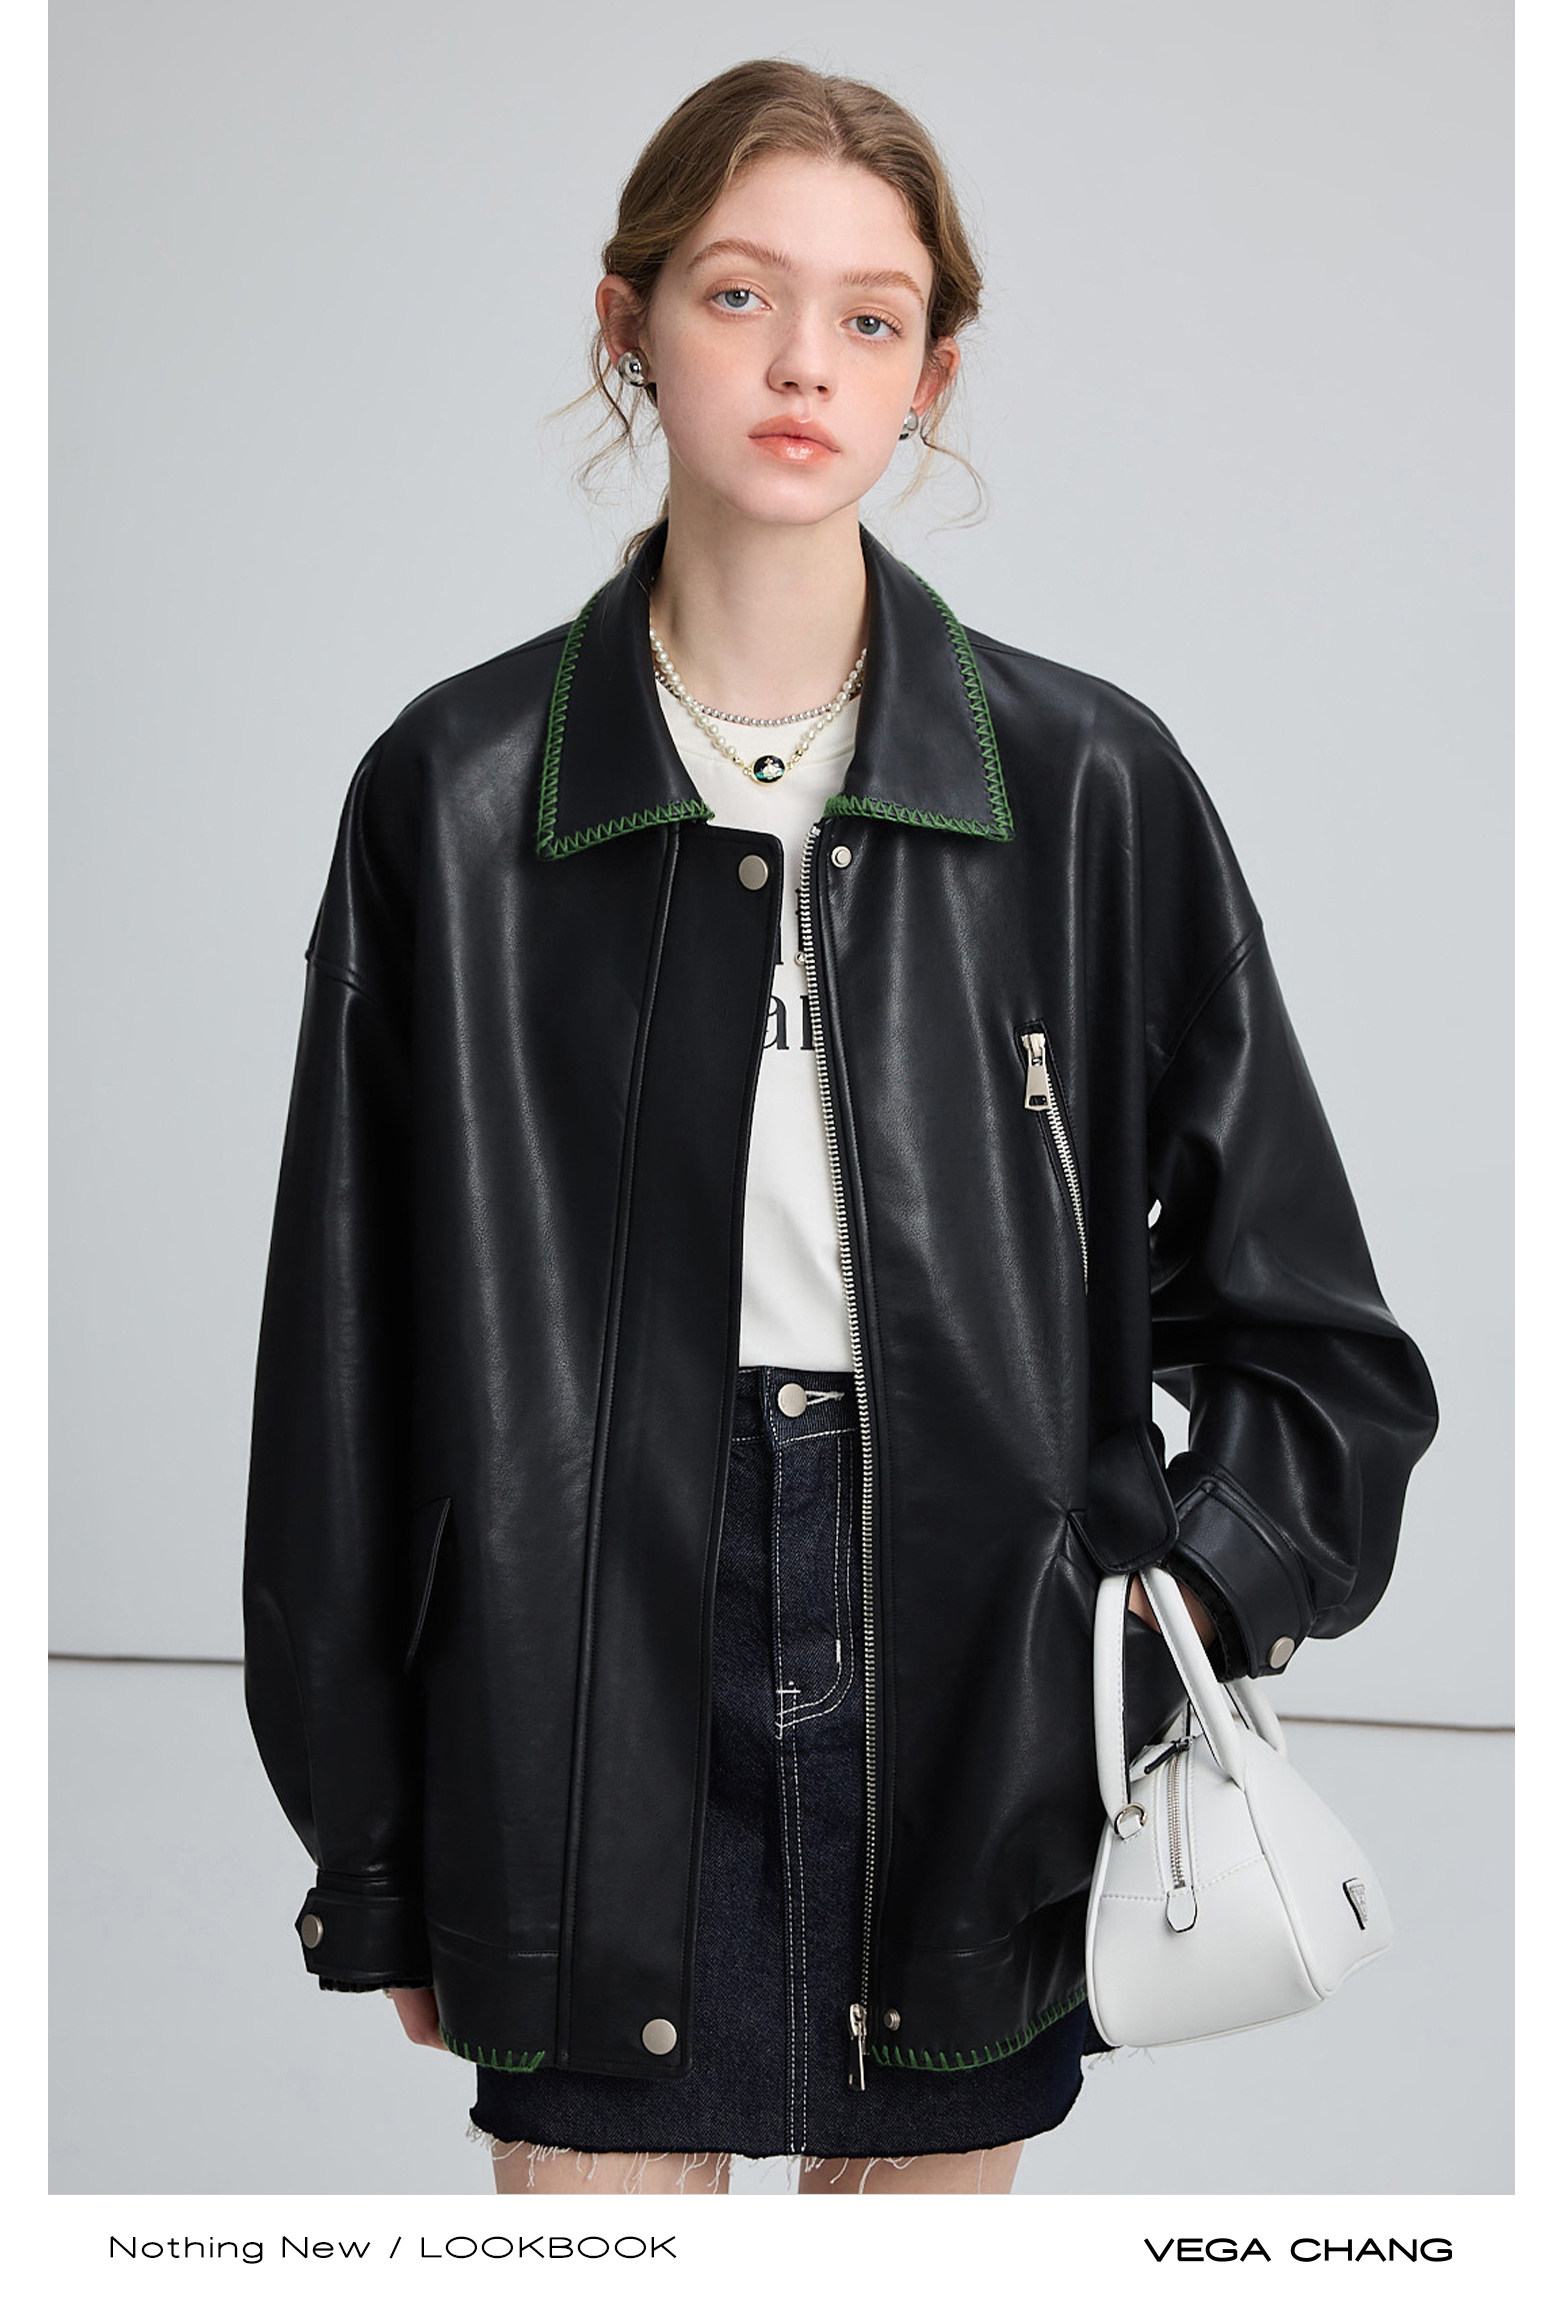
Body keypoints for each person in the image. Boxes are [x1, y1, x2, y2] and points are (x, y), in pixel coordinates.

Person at [241, 59, 1440, 2199]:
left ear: (929, 375)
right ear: (624, 322)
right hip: (580, 1694)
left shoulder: (1083, 787)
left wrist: (1148, 1612)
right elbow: (338, 1376)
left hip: (975, 1681)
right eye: (737, 294)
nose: (803, 362)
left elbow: (1321, 1347)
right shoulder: (457, 791)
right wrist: (377, 1848)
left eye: (868, 317)